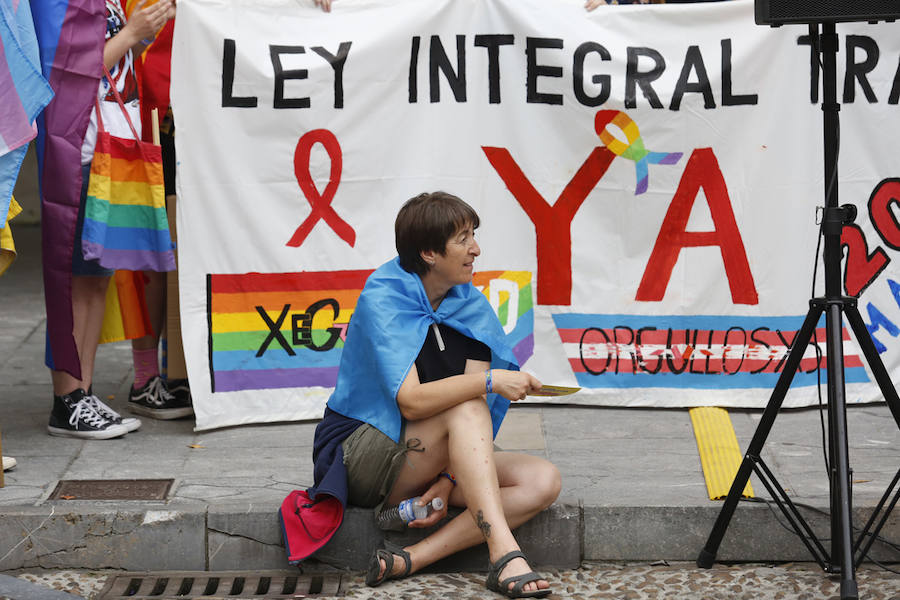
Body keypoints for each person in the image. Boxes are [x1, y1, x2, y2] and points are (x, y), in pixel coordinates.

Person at [308, 192, 561, 598]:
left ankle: (413, 558)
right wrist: (493, 381)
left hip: (426, 458)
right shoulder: (384, 296)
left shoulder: (470, 306)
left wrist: (447, 480)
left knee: (542, 480)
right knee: (467, 407)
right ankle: (504, 554)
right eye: (463, 238)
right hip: (361, 451)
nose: (475, 248)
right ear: (428, 252)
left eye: (473, 235)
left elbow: (474, 397)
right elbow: (411, 401)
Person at [47, 0, 175, 439]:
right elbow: (66, 76)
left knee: (95, 278)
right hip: (84, 150)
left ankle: (79, 395)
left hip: (108, 149)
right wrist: (131, 33)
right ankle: (68, 397)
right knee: (78, 282)